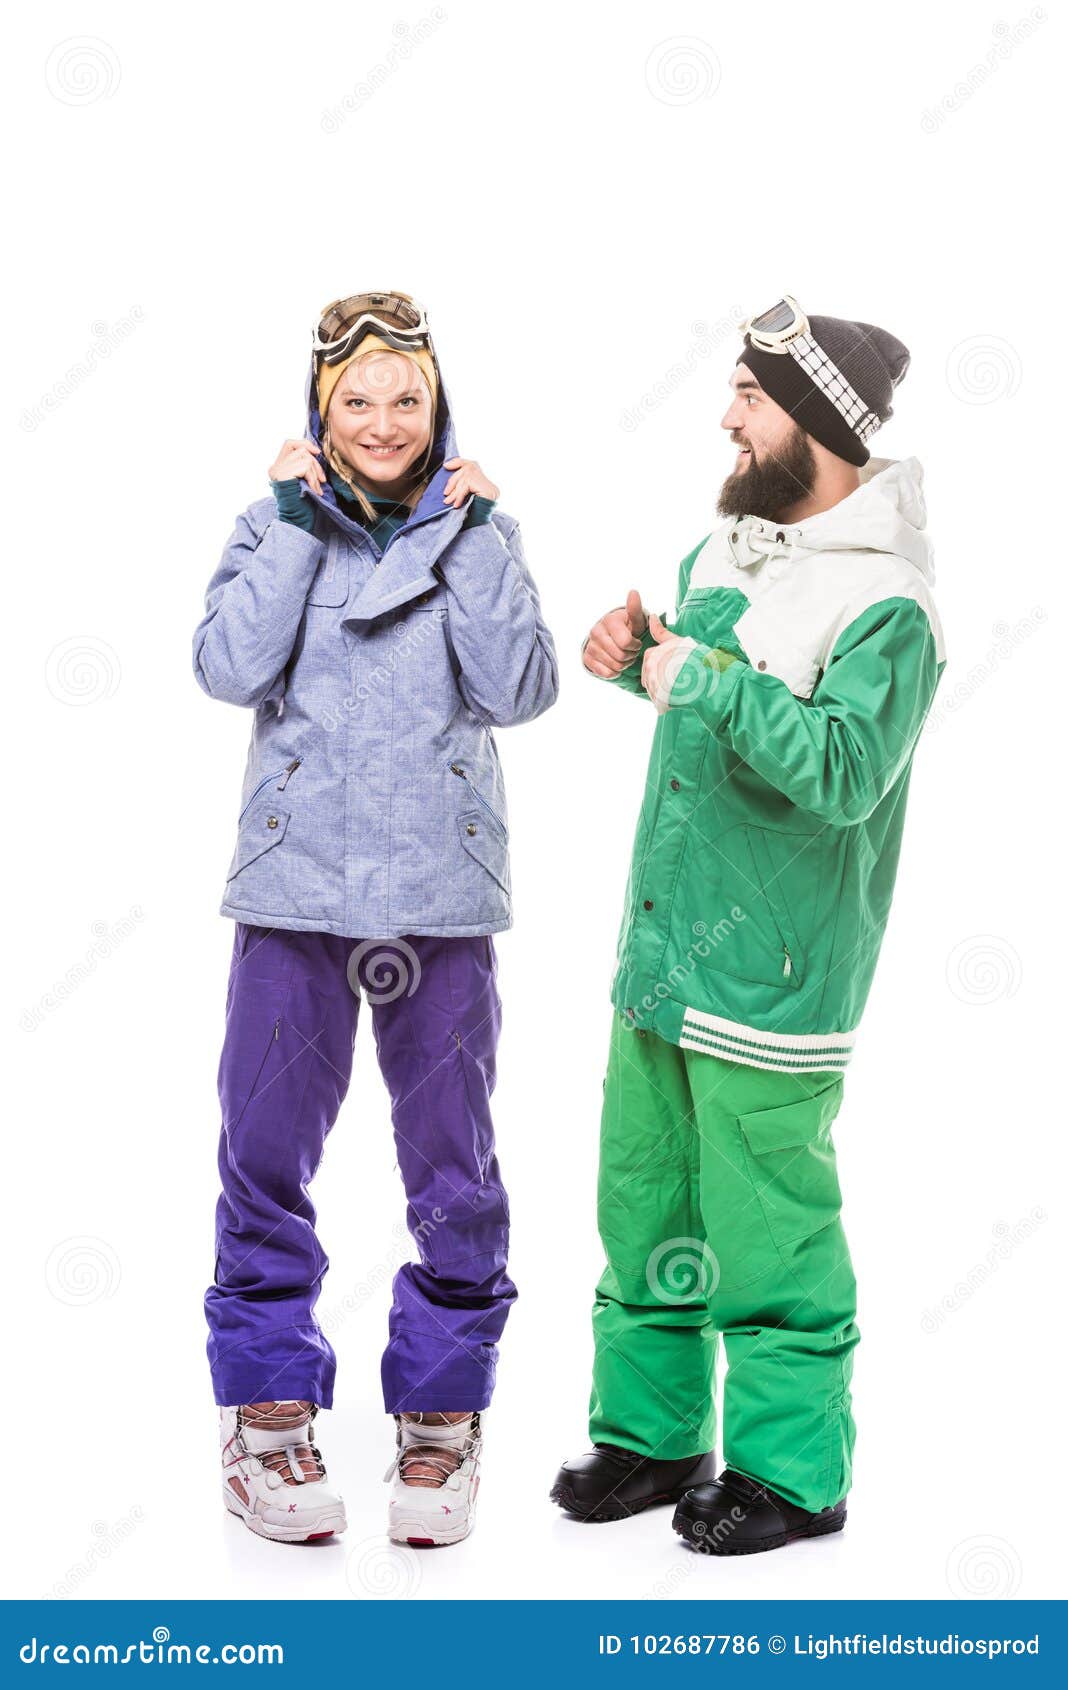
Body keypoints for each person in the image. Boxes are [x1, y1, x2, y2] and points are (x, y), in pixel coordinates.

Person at [552, 296, 946, 1555]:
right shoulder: (727, 547)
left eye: (751, 396)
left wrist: (702, 679)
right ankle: (656, 1437)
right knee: (646, 1201)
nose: (727, 416)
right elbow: (702, 711)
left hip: (774, 977)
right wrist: (639, 657)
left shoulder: (891, 601)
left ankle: (792, 1475)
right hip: (662, 957)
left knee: (766, 1226)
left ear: (818, 420)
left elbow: (841, 770)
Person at [192, 290, 559, 1546]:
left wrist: (480, 533)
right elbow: (228, 668)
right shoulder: (269, 523)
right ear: (321, 410)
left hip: (440, 905)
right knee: (265, 1158)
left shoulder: (476, 533)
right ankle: (268, 1412)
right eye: (360, 400)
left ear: (438, 406)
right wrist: (295, 522)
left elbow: (520, 688)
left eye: (408, 398)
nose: (386, 420)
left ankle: (442, 1416)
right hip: (295, 898)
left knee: (454, 1170)